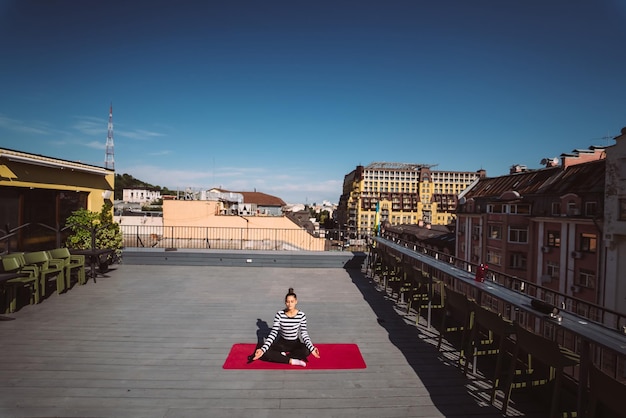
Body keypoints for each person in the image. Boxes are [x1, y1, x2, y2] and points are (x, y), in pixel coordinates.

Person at [252, 287, 320, 367]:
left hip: (295, 343)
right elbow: (273, 333)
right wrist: (262, 350)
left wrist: (312, 348)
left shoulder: (301, 315)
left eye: (292, 301)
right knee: (265, 353)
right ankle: (292, 361)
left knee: (306, 351)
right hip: (282, 343)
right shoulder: (279, 314)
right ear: (285, 302)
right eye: (288, 302)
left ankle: (283, 357)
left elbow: (304, 333)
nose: (290, 304)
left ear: (296, 302)